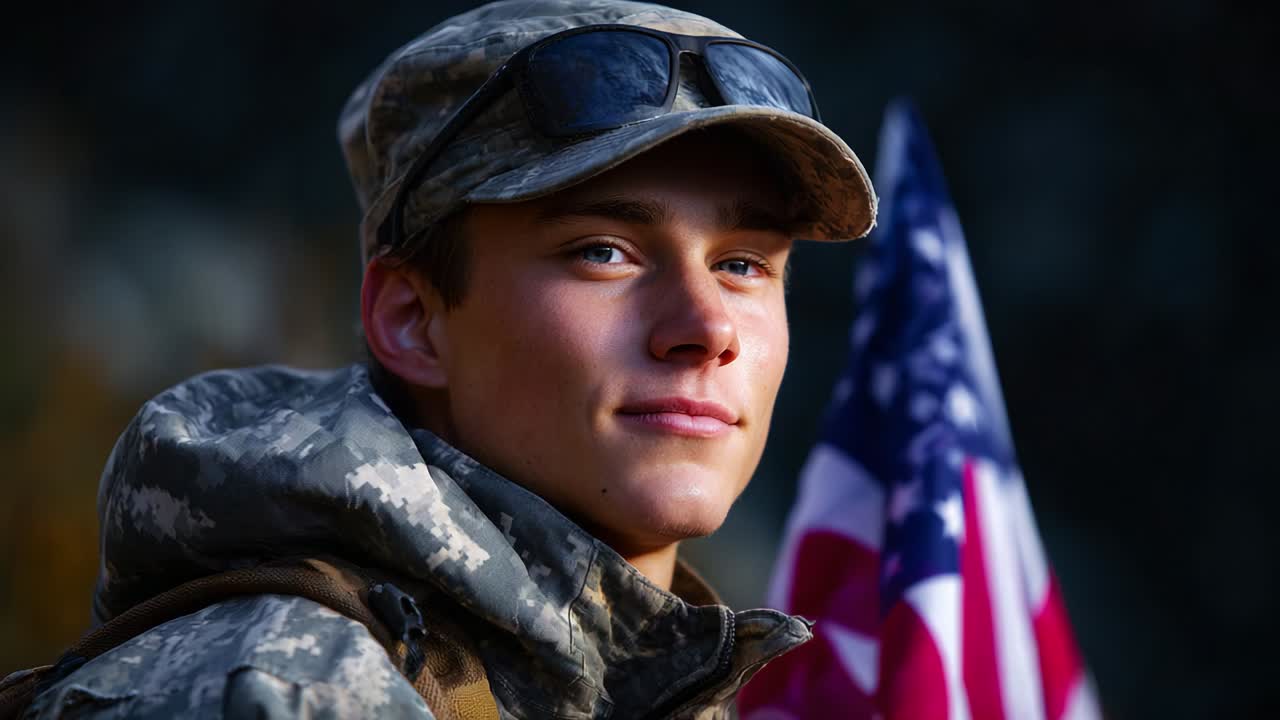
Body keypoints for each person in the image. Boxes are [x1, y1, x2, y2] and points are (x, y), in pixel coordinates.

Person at [21, 1, 876, 717]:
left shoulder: (652, 686)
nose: (707, 326)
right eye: (604, 251)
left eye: (742, 265)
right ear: (412, 320)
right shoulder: (287, 685)